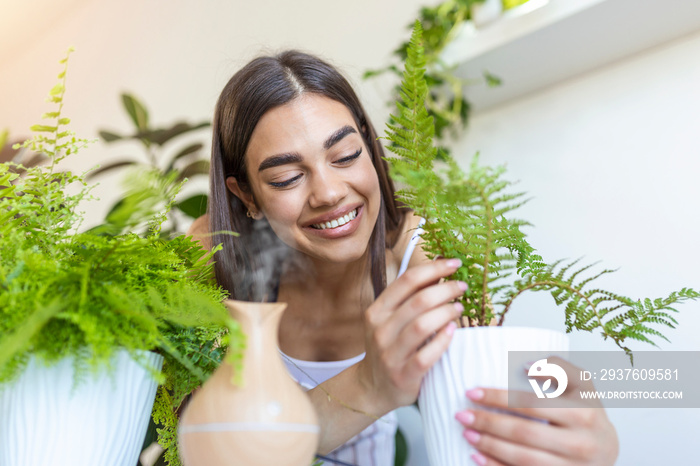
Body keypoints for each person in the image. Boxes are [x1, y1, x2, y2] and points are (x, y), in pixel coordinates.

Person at [188, 50, 619, 465]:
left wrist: (590, 437)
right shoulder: (214, 254)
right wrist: (368, 385)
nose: (329, 193)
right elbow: (212, 451)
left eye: (345, 156)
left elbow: (498, 386)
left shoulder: (422, 252)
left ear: (370, 149)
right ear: (246, 195)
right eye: (287, 178)